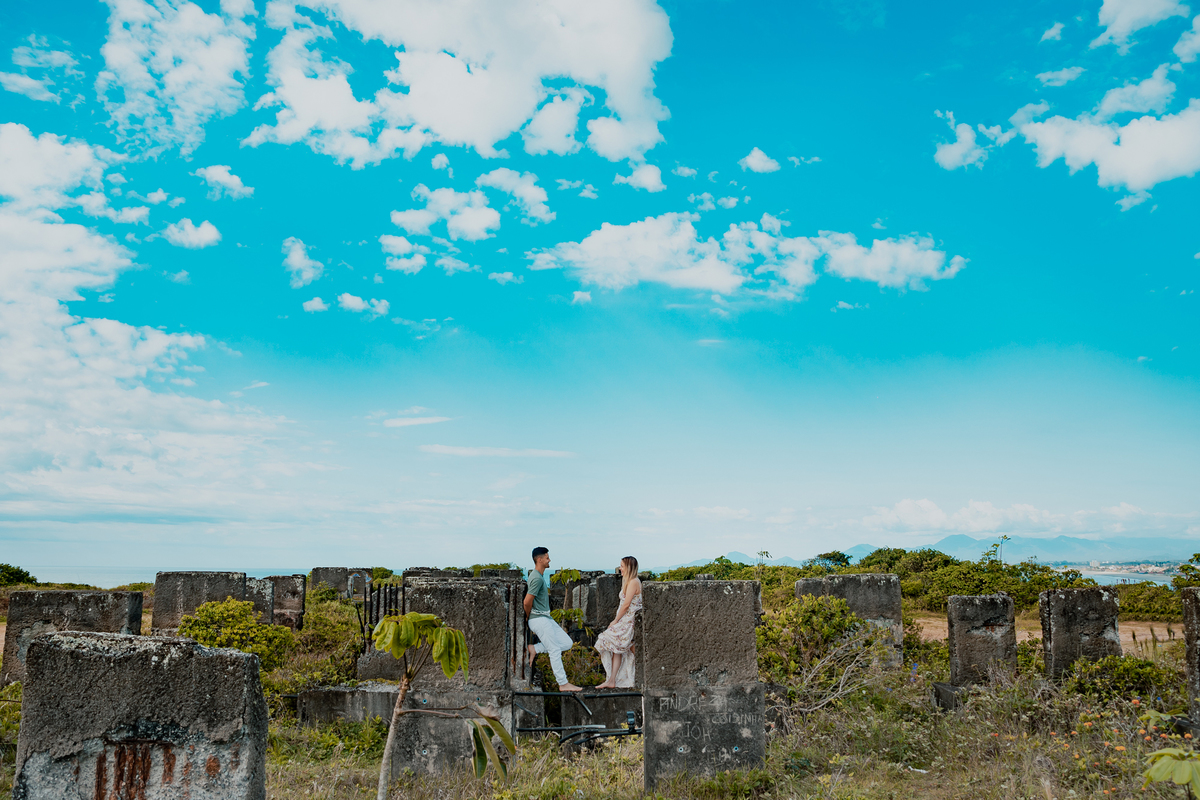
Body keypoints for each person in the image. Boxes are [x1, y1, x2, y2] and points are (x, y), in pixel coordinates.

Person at [524, 546, 582, 692]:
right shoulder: (536, 578)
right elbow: (527, 601)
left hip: (546, 618)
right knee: (554, 649)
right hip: (539, 619)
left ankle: (534, 648)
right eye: (547, 557)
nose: (549, 560)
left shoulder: (538, 576)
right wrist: (527, 617)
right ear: (540, 559)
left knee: (567, 643)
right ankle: (563, 683)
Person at [594, 556, 641, 689]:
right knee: (616, 648)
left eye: (622, 566)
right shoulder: (628, 581)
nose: (620, 568)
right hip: (624, 619)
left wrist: (615, 621)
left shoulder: (633, 582)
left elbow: (626, 605)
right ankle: (611, 680)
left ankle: (632, 650)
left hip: (628, 620)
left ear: (628, 567)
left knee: (605, 638)